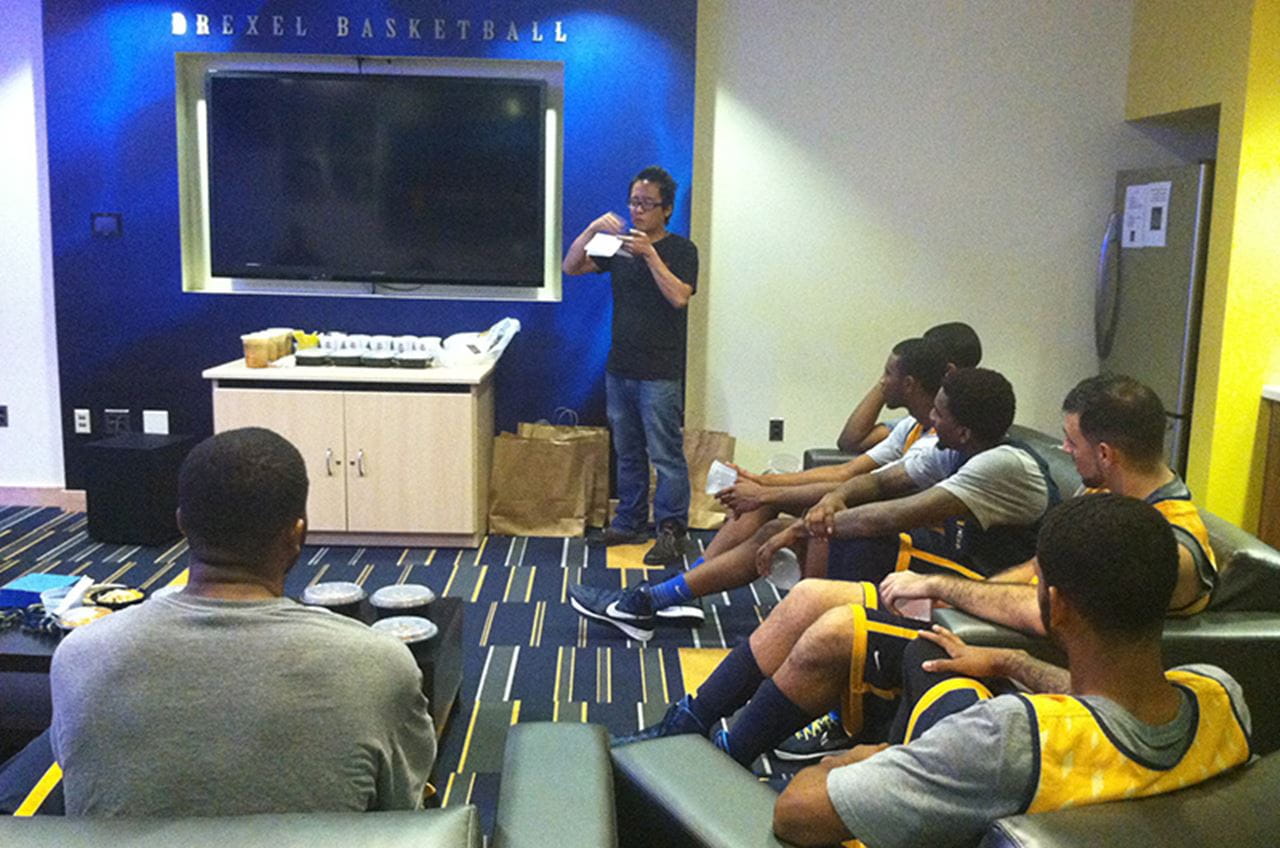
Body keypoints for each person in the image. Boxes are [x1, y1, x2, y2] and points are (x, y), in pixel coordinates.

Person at [772, 494, 1251, 847]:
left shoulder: (1012, 737)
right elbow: (1116, 709)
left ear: (1055, 606)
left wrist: (865, 758)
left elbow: (794, 814)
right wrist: (1011, 661)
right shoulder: (1222, 696)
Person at [49, 428, 436, 816]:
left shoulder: (79, 656)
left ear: (182, 523)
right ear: (297, 533)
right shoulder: (379, 664)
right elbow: (403, 814)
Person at [565, 336, 949, 639]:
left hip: (893, 540)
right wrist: (759, 482)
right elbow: (847, 468)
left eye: (888, 374)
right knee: (766, 508)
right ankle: (675, 592)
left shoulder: (935, 448)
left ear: (910, 384)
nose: (881, 382)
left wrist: (763, 492)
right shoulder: (909, 427)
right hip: (867, 522)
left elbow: (861, 486)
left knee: (778, 521)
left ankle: (662, 597)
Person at [563, 165, 700, 565]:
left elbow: (679, 296)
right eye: (634, 202)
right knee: (627, 451)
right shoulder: (618, 247)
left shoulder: (682, 250)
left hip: (660, 371)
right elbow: (572, 266)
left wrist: (651, 255)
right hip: (620, 366)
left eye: (647, 204)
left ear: (667, 209)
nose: (637, 210)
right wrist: (593, 230)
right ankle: (630, 520)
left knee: (665, 455)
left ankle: (672, 530)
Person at [836, 321, 982, 454]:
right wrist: (893, 376)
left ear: (949, 371)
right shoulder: (913, 423)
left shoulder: (958, 432)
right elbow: (851, 442)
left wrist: (897, 376)